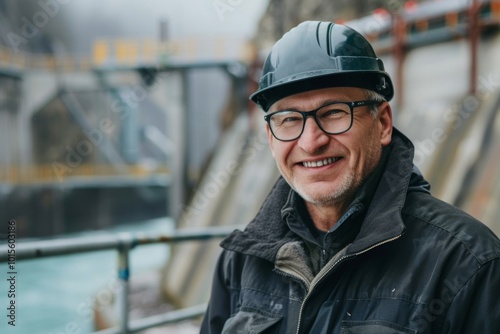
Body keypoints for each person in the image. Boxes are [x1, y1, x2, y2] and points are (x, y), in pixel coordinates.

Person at [200, 21, 500, 333]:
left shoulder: (466, 264)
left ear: (382, 123)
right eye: (289, 119)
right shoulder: (239, 263)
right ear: (270, 136)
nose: (310, 142)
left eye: (333, 113)